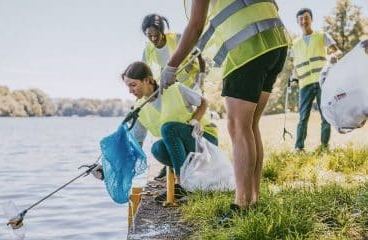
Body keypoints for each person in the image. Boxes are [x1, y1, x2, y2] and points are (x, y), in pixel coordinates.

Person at [159, 0, 289, 213]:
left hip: (247, 47)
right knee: (250, 125)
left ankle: (241, 205)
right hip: (276, 42)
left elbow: (195, 26)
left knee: (238, 127)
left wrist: (172, 66)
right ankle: (253, 199)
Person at [122, 61, 218, 203]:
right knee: (157, 149)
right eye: (128, 86)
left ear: (148, 80)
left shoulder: (174, 88)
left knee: (168, 128)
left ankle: (183, 186)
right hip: (185, 149)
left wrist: (196, 120)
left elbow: (203, 102)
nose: (130, 91)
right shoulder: (139, 108)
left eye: (133, 85)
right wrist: (112, 169)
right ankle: (193, 181)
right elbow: (137, 145)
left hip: (203, 139)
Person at [141, 14, 207, 179]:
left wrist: (202, 77)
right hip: (169, 89)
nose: (153, 38)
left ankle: (192, 161)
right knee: (169, 122)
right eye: (149, 36)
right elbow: (143, 70)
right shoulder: (148, 49)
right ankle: (171, 163)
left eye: (156, 34)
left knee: (186, 123)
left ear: (162, 31)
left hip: (189, 86)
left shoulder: (177, 39)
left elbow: (199, 55)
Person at [290, 8, 342, 151]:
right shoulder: (295, 43)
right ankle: (299, 148)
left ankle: (324, 146)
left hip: (322, 82)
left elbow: (337, 50)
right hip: (305, 84)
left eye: (306, 17)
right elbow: (295, 65)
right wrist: (293, 78)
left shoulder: (321, 35)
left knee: (325, 116)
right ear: (297, 22)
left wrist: (333, 56)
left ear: (311, 19)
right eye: (300, 19)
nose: (303, 21)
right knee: (302, 118)